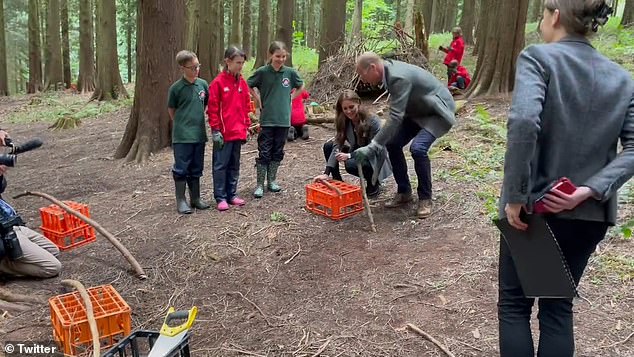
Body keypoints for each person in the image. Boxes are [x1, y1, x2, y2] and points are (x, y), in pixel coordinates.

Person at [497, 2, 632, 356]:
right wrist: (589, 189)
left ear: (555, 15)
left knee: (515, 305)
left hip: (535, 210)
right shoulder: (622, 77)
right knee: (557, 308)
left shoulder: (539, 58)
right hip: (588, 215)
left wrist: (516, 195)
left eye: (543, 15)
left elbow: (524, 122)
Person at [353, 52, 456, 219]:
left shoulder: (397, 77)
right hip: (417, 111)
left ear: (372, 67)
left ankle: (425, 198)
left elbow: (395, 117)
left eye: (362, 74)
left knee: (418, 149)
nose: (362, 79)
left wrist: (373, 146)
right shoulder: (387, 71)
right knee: (393, 143)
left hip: (436, 112)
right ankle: (404, 191)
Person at [247, 41, 305, 198]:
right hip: (267, 119)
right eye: (277, 56)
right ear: (270, 55)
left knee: (278, 150)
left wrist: (291, 98)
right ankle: (260, 184)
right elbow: (249, 84)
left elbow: (301, 86)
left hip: (283, 119)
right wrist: (258, 99)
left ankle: (272, 180)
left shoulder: (290, 73)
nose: (280, 59)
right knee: (264, 150)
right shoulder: (262, 72)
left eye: (283, 56)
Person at [0, 130, 61, 279]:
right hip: (1, 235)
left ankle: (16, 251)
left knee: (54, 251)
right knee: (52, 267)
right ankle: (3, 265)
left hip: (10, 226)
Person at [313, 90, 392, 197]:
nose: (348, 111)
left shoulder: (372, 120)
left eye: (351, 107)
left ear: (358, 103)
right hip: (356, 150)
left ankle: (373, 183)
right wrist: (326, 173)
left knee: (350, 164)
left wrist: (350, 155)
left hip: (374, 156)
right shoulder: (343, 120)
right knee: (329, 146)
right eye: (345, 108)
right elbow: (338, 143)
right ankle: (337, 180)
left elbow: (374, 148)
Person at [207, 46, 251, 211]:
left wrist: (246, 125)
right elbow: (212, 109)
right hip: (223, 133)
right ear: (228, 61)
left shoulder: (242, 82)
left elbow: (246, 105)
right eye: (238, 62)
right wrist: (215, 130)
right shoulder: (218, 83)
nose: (241, 66)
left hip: (238, 131)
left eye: (242, 63)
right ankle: (220, 197)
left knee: (234, 164)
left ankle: (232, 194)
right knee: (220, 165)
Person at [167, 50, 211, 214]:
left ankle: (196, 198)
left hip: (198, 134)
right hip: (182, 136)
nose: (196, 69)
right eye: (192, 67)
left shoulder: (203, 85)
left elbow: (205, 103)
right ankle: (181, 200)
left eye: (198, 66)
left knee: (196, 166)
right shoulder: (176, 88)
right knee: (181, 168)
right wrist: (181, 123)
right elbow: (171, 110)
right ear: (182, 68)